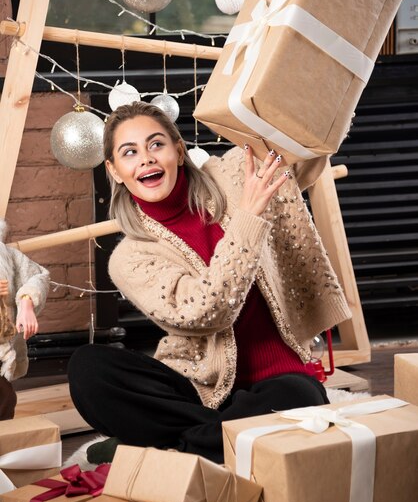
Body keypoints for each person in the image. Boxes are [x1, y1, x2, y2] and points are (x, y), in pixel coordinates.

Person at [68, 101, 351, 464]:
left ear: (179, 150)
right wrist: (248, 220)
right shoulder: (130, 257)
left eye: (157, 144)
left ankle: (170, 449)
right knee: (89, 369)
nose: (146, 159)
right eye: (130, 152)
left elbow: (301, 150)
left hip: (277, 378)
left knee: (303, 399)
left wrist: (327, 94)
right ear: (115, 170)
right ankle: (223, 435)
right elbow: (208, 312)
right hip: (197, 387)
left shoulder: (234, 173)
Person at [0, 219, 50, 419]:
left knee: (5, 398)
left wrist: (26, 302)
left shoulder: (7, 256)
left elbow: (37, 276)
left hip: (3, 340)